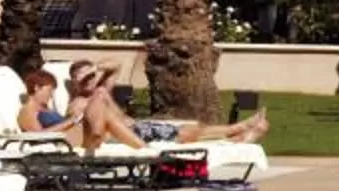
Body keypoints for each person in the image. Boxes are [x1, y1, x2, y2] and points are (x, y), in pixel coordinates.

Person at [59, 64, 268, 153]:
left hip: (138, 127)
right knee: (188, 133)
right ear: (74, 82)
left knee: (192, 129)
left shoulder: (102, 89)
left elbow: (115, 65)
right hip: (130, 134)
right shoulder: (79, 102)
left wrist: (94, 69)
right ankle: (237, 132)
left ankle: (236, 134)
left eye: (90, 76)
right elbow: (80, 127)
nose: (88, 80)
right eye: (81, 78)